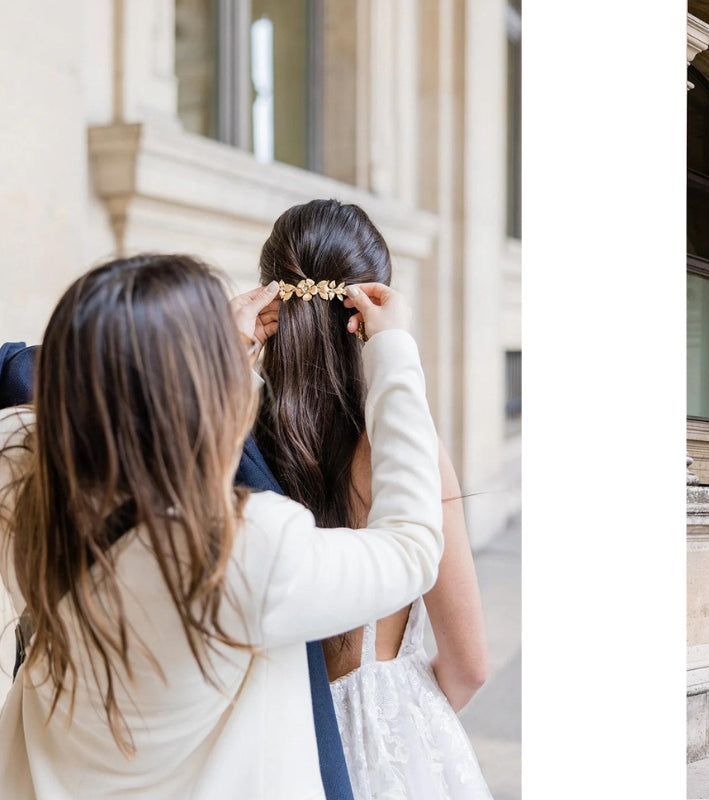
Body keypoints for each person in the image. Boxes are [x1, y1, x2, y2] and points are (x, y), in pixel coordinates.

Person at [0, 254, 443, 798]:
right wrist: (396, 354)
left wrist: (205, 361)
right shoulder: (242, 551)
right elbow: (411, 546)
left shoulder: (8, 467)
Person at [255, 199, 491, 799]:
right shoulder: (406, 452)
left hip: (270, 742)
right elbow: (468, 666)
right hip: (393, 736)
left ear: (268, 301)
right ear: (369, 307)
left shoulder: (231, 439)